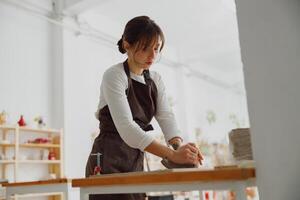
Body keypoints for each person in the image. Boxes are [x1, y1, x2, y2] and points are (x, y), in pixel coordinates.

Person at [85, 15, 203, 200]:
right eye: (146, 48)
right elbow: (127, 128)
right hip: (108, 157)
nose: (153, 55)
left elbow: (166, 116)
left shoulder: (155, 79)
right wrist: (173, 155)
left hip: (134, 156)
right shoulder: (114, 76)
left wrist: (181, 150)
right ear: (127, 44)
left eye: (156, 48)